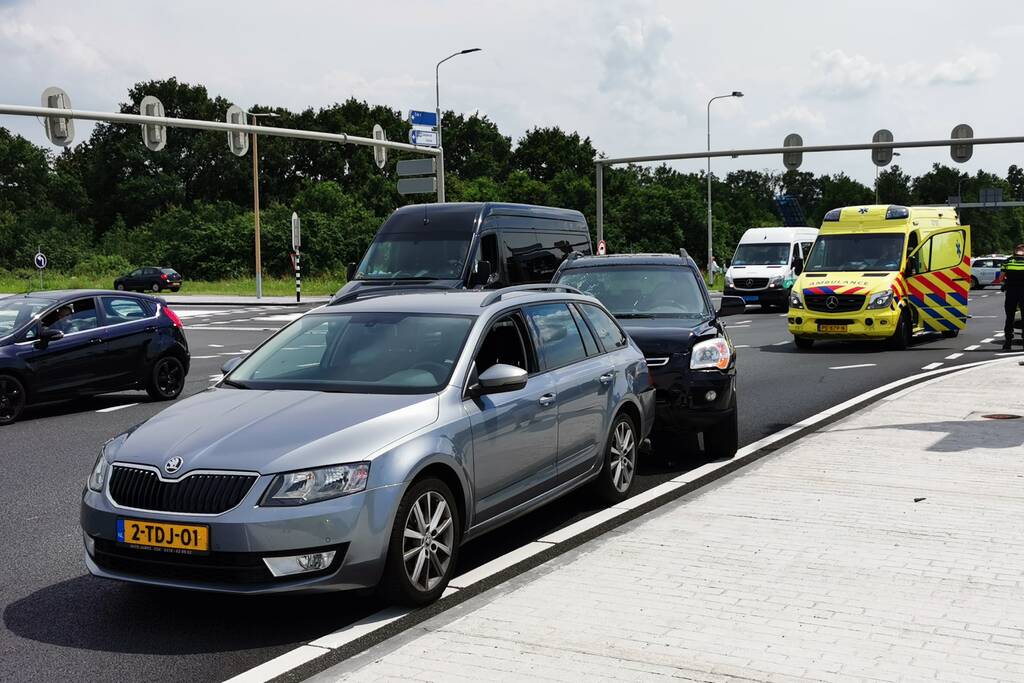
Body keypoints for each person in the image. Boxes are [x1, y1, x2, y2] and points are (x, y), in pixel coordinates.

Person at [1000, 244, 1024, 350]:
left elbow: (1001, 278)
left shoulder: (1008, 261)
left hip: (1011, 292)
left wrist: (1007, 281)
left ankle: (1008, 342)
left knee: (1009, 317)